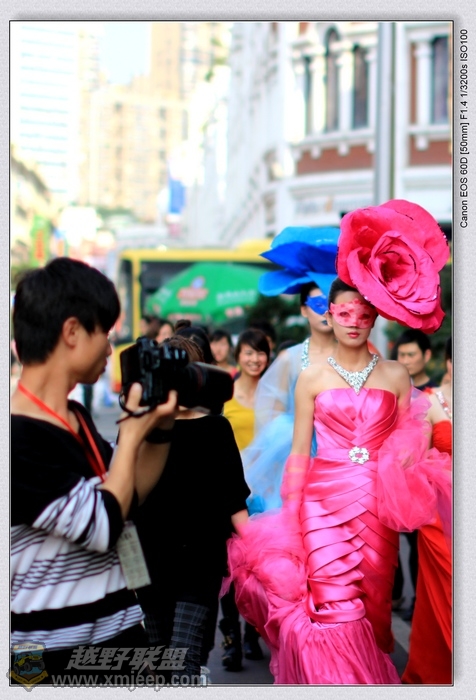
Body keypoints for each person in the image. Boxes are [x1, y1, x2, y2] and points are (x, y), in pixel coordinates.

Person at [226, 199, 451, 684]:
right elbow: (299, 453)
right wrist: (291, 517)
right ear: (329, 313)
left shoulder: (396, 376)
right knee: (331, 608)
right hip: (320, 505)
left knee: (373, 607)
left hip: (376, 506)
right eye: (341, 311)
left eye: (361, 313)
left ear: (375, 318)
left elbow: (410, 441)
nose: (351, 320)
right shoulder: (310, 377)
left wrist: (407, 466)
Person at [10, 258, 177, 684]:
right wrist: (132, 432)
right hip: (49, 657)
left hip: (120, 639)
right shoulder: (16, 436)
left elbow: (129, 494)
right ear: (72, 331)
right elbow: (103, 523)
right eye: (105, 332)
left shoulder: (76, 416)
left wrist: (160, 427)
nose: (109, 348)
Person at [134, 334, 250, 683]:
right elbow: (126, 500)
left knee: (183, 663)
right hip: (149, 564)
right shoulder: (140, 428)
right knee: (158, 663)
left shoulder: (215, 427)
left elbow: (234, 500)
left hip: (199, 564)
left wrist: (263, 557)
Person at [219, 328, 271, 670]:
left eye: (261, 352)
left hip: (266, 495)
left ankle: (253, 633)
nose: (255, 359)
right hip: (231, 492)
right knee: (230, 568)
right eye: (249, 352)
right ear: (238, 356)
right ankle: (231, 640)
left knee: (260, 568)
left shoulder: (276, 395)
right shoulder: (225, 395)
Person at [402, 337, 452, 684]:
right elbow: (415, 459)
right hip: (442, 517)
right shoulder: (432, 402)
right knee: (448, 593)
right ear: (449, 362)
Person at [392, 329, 437, 619]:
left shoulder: (437, 394)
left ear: (427, 356)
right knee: (392, 540)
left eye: (411, 354)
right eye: (401, 355)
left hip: (425, 480)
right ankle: (396, 595)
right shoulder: (394, 389)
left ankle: (420, 601)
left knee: (418, 543)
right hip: (395, 478)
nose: (406, 360)